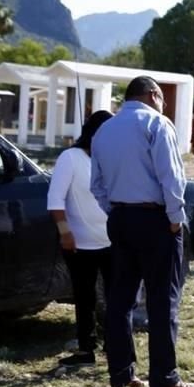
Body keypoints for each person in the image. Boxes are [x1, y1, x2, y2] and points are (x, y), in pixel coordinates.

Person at [91, 76, 194, 387]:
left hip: (121, 218)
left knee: (120, 299)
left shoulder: (103, 130)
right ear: (153, 95)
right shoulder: (156, 124)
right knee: (162, 299)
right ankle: (165, 378)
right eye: (162, 99)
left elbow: (96, 184)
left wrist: (114, 211)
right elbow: (171, 176)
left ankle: (122, 374)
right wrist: (175, 219)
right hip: (155, 219)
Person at [47, 110, 115, 366]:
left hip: (111, 241)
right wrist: (65, 232)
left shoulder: (111, 157)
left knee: (115, 296)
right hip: (78, 243)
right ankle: (86, 350)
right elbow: (55, 200)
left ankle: (114, 345)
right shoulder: (70, 158)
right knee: (84, 298)